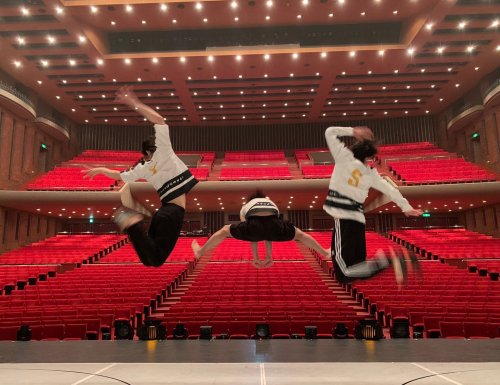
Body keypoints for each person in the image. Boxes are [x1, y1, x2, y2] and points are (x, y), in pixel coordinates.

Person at [83, 85, 198, 267]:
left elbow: (120, 176)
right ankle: (133, 224)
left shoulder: (144, 167)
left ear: (144, 153)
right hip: (172, 213)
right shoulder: (165, 151)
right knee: (155, 259)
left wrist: (102, 170)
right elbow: (159, 120)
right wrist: (134, 102)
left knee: (149, 259)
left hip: (164, 213)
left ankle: (133, 225)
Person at [323, 126, 423, 284]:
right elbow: (391, 189)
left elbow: (329, 131)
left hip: (344, 217)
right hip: (357, 220)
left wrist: (353, 131)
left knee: (343, 274)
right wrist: (406, 208)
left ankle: (389, 260)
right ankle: (388, 260)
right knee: (359, 268)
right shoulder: (370, 173)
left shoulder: (344, 157)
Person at [191, 190, 330, 268]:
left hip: (256, 224)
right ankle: (324, 252)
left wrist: (256, 258)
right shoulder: (270, 203)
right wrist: (269, 256)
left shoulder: (246, 206)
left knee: (224, 230)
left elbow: (253, 234)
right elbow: (268, 233)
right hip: (275, 224)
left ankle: (201, 251)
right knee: (300, 234)